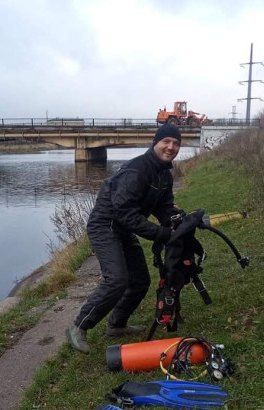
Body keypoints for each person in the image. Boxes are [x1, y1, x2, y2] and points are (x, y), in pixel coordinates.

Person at [65, 123, 183, 354]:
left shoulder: (164, 175)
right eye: (166, 142)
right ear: (155, 143)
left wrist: (180, 220)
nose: (171, 147)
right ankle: (78, 326)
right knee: (117, 280)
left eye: (176, 143)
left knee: (140, 281)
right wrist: (162, 233)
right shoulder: (137, 170)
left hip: (123, 227)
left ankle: (117, 324)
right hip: (105, 225)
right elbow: (125, 214)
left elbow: (164, 208)